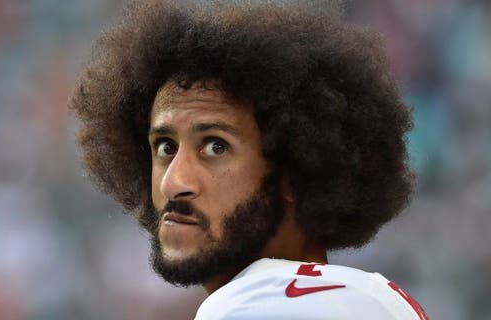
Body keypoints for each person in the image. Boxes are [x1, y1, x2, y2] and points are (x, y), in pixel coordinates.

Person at [69, 0, 430, 319]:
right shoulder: (377, 299)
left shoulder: (253, 306)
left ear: (296, 171)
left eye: (215, 147)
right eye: (165, 147)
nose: (173, 182)